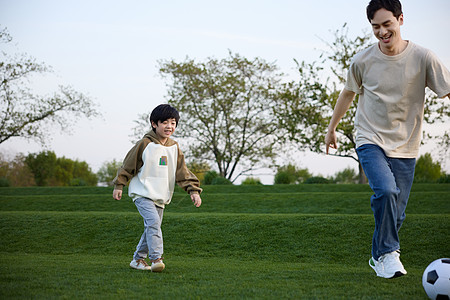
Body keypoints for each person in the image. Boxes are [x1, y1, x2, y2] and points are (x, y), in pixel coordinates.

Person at [325, 0, 450, 279]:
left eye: (387, 24)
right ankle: (389, 253)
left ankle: (377, 255)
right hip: (370, 138)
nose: (382, 31)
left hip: (406, 144)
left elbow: (448, 91)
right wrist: (331, 128)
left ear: (400, 20)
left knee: (397, 214)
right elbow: (348, 94)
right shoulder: (362, 60)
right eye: (376, 27)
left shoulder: (423, 57)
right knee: (386, 191)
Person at [112, 104, 202, 272]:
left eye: (173, 122)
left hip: (160, 196)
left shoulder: (174, 148)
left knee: (152, 227)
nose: (169, 126)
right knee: (153, 223)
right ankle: (156, 259)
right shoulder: (144, 144)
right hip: (142, 193)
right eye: (165, 122)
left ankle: (138, 259)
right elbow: (128, 165)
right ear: (154, 123)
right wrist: (119, 185)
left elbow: (182, 172)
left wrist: (193, 190)